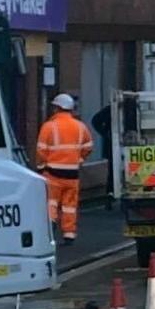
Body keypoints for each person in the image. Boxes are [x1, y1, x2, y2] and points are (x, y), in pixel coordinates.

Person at [34, 93, 96, 243]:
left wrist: (41, 166)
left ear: (57, 108)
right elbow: (88, 147)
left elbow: (41, 150)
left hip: (53, 172)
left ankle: (51, 225)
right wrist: (79, 160)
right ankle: (69, 233)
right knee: (70, 205)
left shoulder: (49, 126)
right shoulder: (80, 127)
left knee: (51, 201)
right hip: (72, 174)